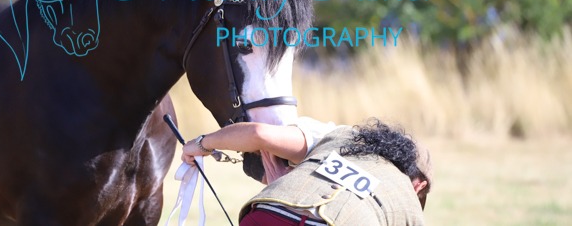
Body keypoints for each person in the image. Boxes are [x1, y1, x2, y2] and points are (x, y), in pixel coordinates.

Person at [182, 117, 432, 226]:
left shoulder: (340, 137)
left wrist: (203, 144)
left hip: (268, 214)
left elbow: (258, 134)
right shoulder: (406, 200)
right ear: (418, 185)